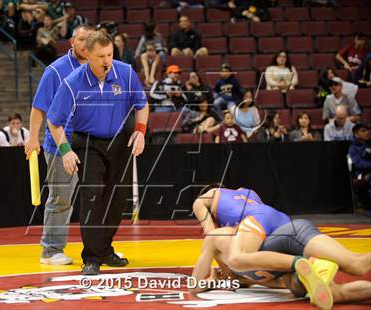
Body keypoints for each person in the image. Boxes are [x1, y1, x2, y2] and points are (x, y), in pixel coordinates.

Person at [46, 31, 149, 276]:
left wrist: (141, 131)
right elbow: (54, 121)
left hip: (119, 141)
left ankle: (104, 250)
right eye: (101, 56)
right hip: (88, 142)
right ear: (88, 55)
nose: (106, 60)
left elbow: (142, 105)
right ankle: (91, 257)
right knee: (92, 197)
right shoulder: (72, 81)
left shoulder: (124, 72)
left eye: (110, 54)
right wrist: (66, 151)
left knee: (118, 199)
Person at [190, 184, 371, 306]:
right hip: (288, 226)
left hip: (261, 226)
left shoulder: (208, 205)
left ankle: (299, 262)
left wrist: (211, 280)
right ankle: (303, 265)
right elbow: (253, 281)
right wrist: (222, 279)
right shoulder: (247, 193)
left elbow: (210, 234)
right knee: (352, 269)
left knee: (236, 258)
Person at [24, 25, 94, 266]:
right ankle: (51, 250)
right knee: (61, 198)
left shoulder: (99, 67)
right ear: (72, 42)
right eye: (82, 39)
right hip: (60, 145)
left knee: (96, 198)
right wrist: (33, 137)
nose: (86, 44)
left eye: (90, 39)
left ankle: (98, 248)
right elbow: (39, 107)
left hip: (90, 144)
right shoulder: (56, 70)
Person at [349, 123, 371, 209]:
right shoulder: (353, 148)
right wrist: (365, 153)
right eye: (363, 131)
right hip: (360, 174)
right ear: (356, 134)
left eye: (367, 131)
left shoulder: (369, 144)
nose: (366, 133)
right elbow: (358, 163)